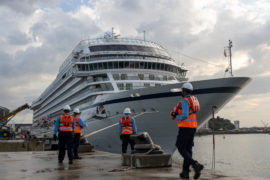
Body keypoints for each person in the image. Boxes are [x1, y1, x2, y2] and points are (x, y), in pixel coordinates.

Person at [171, 82, 204, 179]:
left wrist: (177, 116)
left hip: (185, 127)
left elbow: (185, 115)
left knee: (180, 147)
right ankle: (185, 172)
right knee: (188, 149)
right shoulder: (193, 100)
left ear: (184, 91)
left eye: (182, 90)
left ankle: (195, 164)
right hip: (193, 127)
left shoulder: (185, 100)